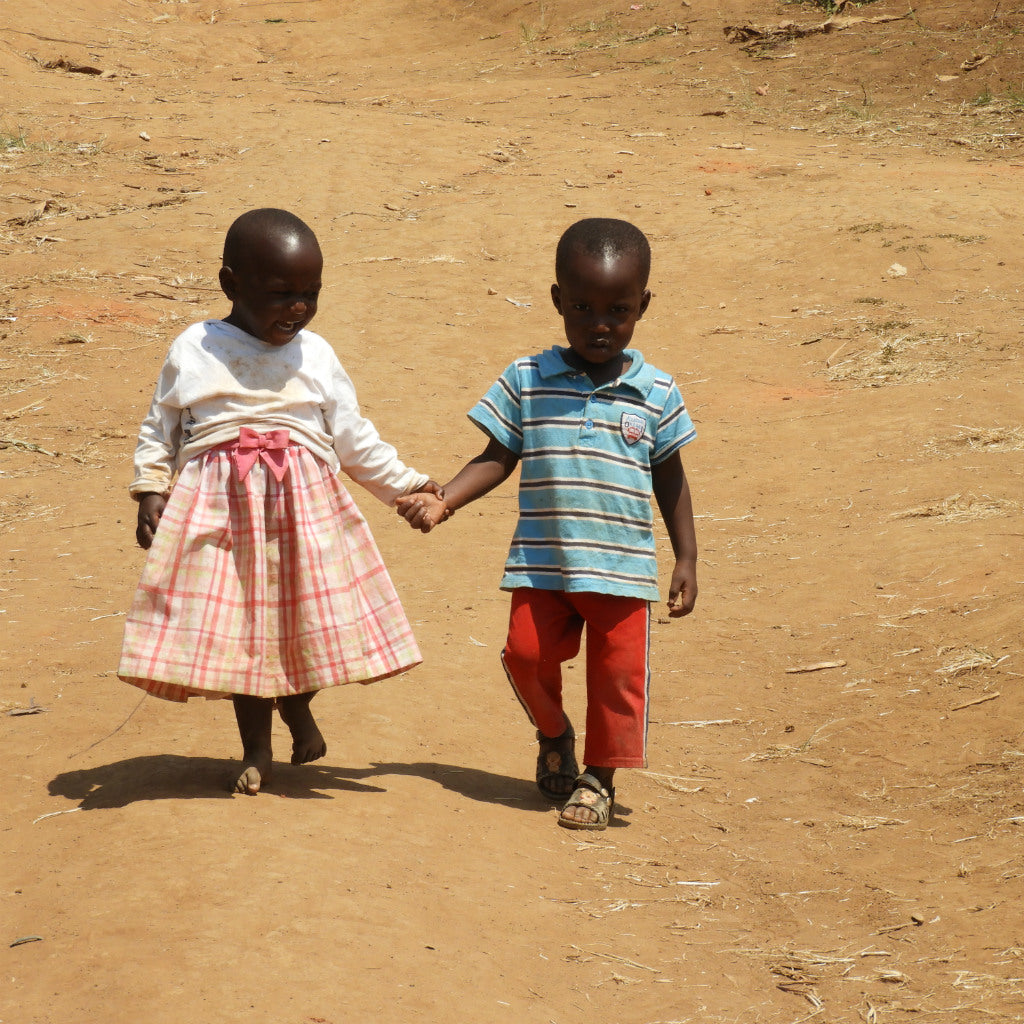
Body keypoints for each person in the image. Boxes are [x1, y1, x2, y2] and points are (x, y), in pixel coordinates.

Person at [119, 207, 438, 795]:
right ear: (231, 285)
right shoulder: (195, 347)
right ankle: (256, 748)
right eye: (280, 293)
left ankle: (298, 706)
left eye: (309, 294)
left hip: (305, 512)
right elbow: (160, 425)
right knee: (244, 632)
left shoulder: (316, 356)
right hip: (219, 513)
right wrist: (150, 487)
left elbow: (353, 437)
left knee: (310, 620)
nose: (297, 307)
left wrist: (407, 486)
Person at [397, 217, 698, 831]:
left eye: (618, 309)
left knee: (616, 678)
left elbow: (671, 477)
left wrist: (687, 558)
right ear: (558, 299)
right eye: (583, 307)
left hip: (622, 569)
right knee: (525, 655)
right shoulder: (528, 380)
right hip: (543, 563)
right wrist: (445, 499)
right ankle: (554, 733)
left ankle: (599, 778)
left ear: (644, 304)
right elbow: (496, 456)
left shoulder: (657, 393)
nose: (600, 324)